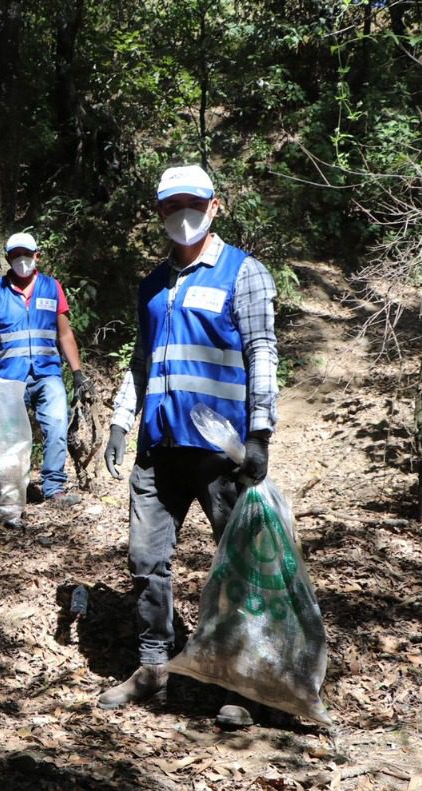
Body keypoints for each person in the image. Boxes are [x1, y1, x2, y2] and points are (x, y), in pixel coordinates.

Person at [97, 165, 278, 721]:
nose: (183, 215)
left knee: (237, 564)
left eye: (193, 204)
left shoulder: (242, 273)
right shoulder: (152, 285)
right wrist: (121, 422)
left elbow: (262, 351)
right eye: (172, 205)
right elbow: (141, 361)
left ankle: (239, 684)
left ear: (215, 206)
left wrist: (260, 432)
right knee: (146, 560)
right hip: (158, 448)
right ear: (159, 212)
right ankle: (154, 666)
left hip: (220, 455)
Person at [0, 232, 95, 508]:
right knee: (6, 436)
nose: (22, 260)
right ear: (8, 259)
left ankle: (53, 488)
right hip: (9, 377)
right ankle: (6, 489)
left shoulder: (52, 288)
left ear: (37, 255)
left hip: (47, 373)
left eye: (27, 254)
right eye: (16, 255)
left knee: (57, 426)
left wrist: (77, 371)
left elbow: (65, 334)